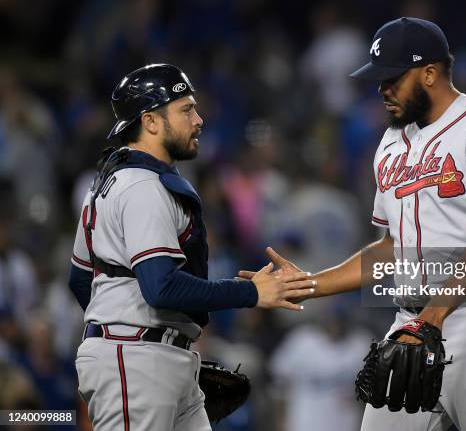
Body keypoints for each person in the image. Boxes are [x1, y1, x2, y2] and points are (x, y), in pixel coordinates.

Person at [241, 18, 466, 430]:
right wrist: (310, 285)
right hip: (412, 322)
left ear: (431, 73)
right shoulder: (390, 143)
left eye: (392, 79)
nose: (382, 90)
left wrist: (432, 319)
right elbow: (390, 247)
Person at [68, 63, 315, 431]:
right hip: (136, 361)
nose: (198, 120)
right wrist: (250, 292)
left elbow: (80, 280)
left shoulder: (109, 182)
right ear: (151, 122)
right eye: (185, 109)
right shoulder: (142, 187)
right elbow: (161, 287)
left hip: (154, 356)